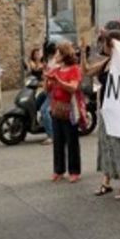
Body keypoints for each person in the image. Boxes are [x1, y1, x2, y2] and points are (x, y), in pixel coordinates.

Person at [81, 30, 120, 200]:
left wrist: (115, 41)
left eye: (105, 43)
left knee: (119, 147)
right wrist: (82, 52)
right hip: (105, 109)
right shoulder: (106, 62)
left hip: (119, 112)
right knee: (105, 146)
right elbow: (86, 71)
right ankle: (106, 181)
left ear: (113, 44)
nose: (103, 46)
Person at [46, 42, 83, 183]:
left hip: (70, 109)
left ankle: (74, 171)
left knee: (71, 140)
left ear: (64, 55)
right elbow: (47, 90)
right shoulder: (56, 69)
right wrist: (47, 79)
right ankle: (58, 170)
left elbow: (73, 88)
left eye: (58, 53)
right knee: (58, 141)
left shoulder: (74, 69)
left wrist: (58, 80)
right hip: (56, 108)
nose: (55, 56)